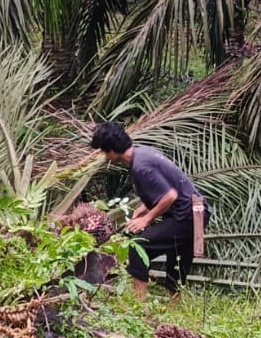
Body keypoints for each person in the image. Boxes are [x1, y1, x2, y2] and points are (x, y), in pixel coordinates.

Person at [90, 121, 210, 299]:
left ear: (111, 150)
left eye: (103, 151)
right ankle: (175, 305)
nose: (104, 156)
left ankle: (139, 303)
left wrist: (146, 220)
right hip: (198, 210)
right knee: (177, 256)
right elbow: (163, 188)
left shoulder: (140, 167)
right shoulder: (143, 153)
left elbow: (169, 196)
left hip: (186, 216)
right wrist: (143, 208)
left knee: (138, 246)